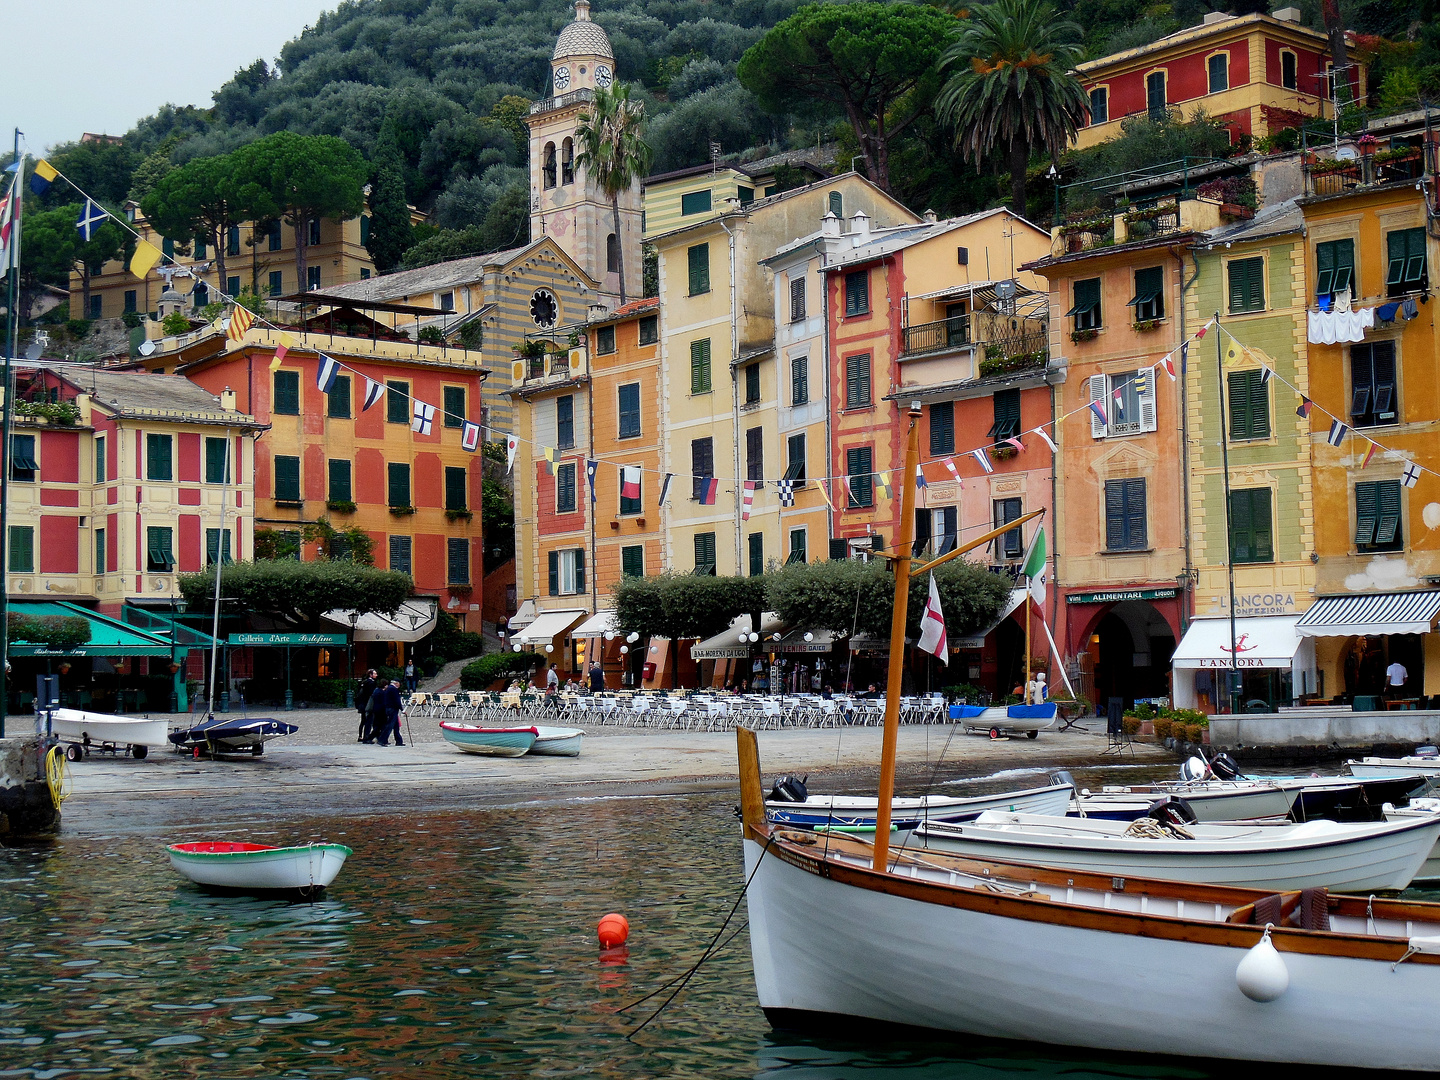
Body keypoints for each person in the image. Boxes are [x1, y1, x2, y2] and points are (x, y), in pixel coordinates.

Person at [377, 679, 405, 746]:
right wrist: (402, 709)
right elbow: (397, 700)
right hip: (392, 709)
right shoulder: (393, 689)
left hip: (389, 708)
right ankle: (382, 740)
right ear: (396, 683)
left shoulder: (389, 688)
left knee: (396, 725)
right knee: (390, 725)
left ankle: (399, 741)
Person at [356, 669, 378, 743]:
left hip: (362, 704)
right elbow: (371, 695)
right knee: (368, 721)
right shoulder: (371, 683)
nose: (376, 675)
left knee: (363, 721)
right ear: (370, 675)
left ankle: (360, 736)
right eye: (375, 674)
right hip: (367, 704)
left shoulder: (364, 682)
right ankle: (366, 736)